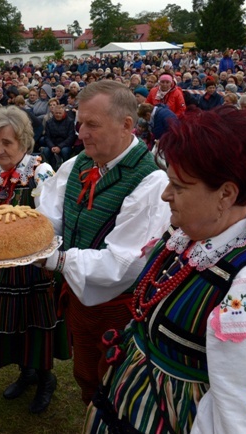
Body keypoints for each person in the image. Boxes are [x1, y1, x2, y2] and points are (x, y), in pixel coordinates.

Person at [85, 106, 246, 433]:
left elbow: (245, 415)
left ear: (225, 194)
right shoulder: (190, 234)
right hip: (130, 395)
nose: (165, 194)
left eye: (178, 185)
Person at [37, 80, 171, 404]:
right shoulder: (77, 163)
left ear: (126, 125)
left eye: (91, 124)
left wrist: (54, 259)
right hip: (78, 301)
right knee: (86, 376)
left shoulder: (152, 182)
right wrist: (30, 236)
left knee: (122, 387)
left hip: (119, 313)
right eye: (79, 122)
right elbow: (50, 218)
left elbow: (124, 264)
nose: (80, 132)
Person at [0, 106, 70, 414]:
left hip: (34, 269)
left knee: (36, 325)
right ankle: (26, 373)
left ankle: (45, 378)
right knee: (10, 325)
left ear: (23, 142)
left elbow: (53, 222)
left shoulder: (41, 172)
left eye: (7, 143)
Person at [42, 105, 76, 169]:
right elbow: (47, 137)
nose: (58, 115)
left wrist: (59, 147)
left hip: (65, 145)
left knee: (64, 151)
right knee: (46, 151)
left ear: (63, 113)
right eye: (56, 113)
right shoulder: (49, 122)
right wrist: (52, 146)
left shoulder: (70, 121)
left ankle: (66, 168)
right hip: (53, 144)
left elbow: (71, 137)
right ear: (53, 113)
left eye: (60, 113)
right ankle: (51, 167)